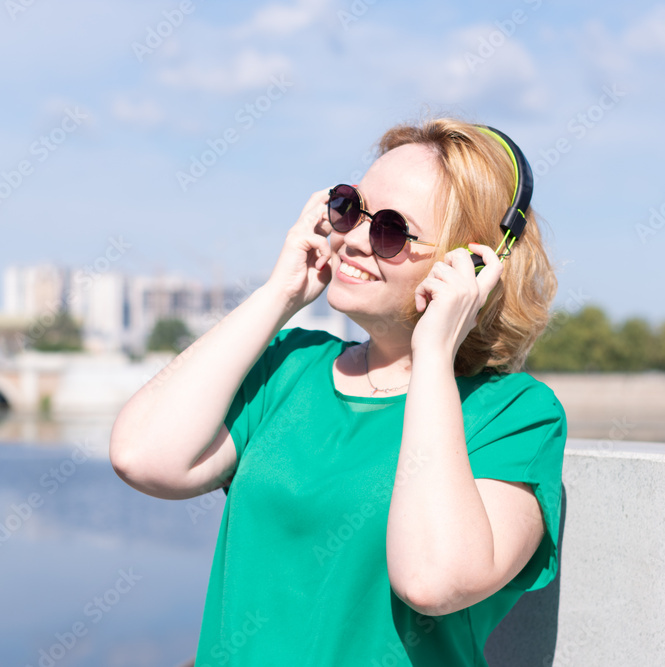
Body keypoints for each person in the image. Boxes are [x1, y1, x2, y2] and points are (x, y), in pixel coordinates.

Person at [109, 116, 566, 666]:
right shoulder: (289, 367)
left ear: (471, 265)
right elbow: (142, 457)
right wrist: (280, 292)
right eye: (350, 206)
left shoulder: (514, 414)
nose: (350, 239)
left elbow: (432, 579)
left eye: (391, 230)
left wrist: (435, 354)